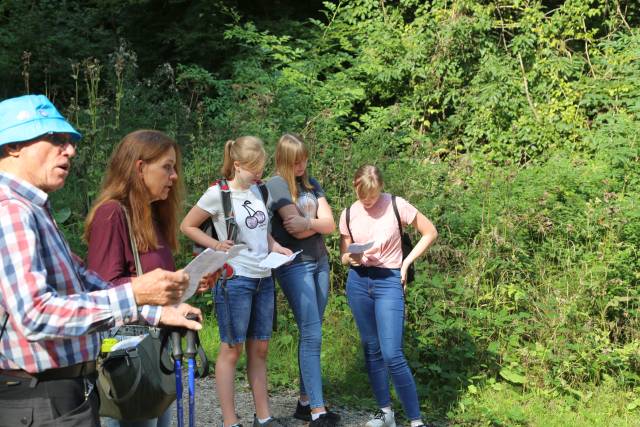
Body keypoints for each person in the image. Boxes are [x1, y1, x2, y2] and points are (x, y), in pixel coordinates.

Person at [0, 94, 202, 427]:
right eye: (56, 140)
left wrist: (159, 311)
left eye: (70, 142)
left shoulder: (34, 209)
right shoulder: (11, 211)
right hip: (38, 398)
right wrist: (136, 295)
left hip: (63, 392)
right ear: (13, 146)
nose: (70, 150)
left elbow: (82, 282)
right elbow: (35, 315)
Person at [84, 129, 206, 427]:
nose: (174, 176)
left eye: (174, 167)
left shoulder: (152, 216)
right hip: (128, 360)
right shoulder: (112, 215)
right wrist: (159, 309)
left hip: (157, 354)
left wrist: (184, 287)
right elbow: (103, 293)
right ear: (139, 168)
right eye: (167, 167)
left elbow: (150, 285)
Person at [181, 136, 291, 427]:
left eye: (261, 167)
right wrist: (215, 245)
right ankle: (231, 422)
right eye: (254, 168)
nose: (259, 173)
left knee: (261, 349)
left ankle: (264, 417)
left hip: (264, 278)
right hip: (235, 280)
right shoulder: (218, 194)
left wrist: (274, 245)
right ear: (237, 164)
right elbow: (188, 226)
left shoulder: (260, 190)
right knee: (232, 348)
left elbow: (260, 228)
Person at [339, 165, 438, 427]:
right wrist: (353, 257)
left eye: (372, 196)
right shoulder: (348, 213)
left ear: (380, 187)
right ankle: (385, 412)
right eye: (363, 197)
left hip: (389, 281)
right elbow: (344, 256)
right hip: (358, 282)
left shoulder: (397, 205)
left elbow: (430, 232)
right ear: (355, 188)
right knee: (371, 348)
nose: (368, 202)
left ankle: (416, 421)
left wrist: (405, 264)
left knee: (392, 353)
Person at [266, 133, 339, 426]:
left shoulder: (311, 184)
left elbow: (330, 224)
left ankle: (305, 401)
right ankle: (318, 413)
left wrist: (309, 223)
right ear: (284, 159)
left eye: (305, 159)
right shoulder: (276, 184)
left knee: (313, 330)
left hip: (321, 261)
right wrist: (315, 225)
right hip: (295, 265)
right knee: (311, 332)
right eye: (296, 161)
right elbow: (292, 230)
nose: (302, 165)